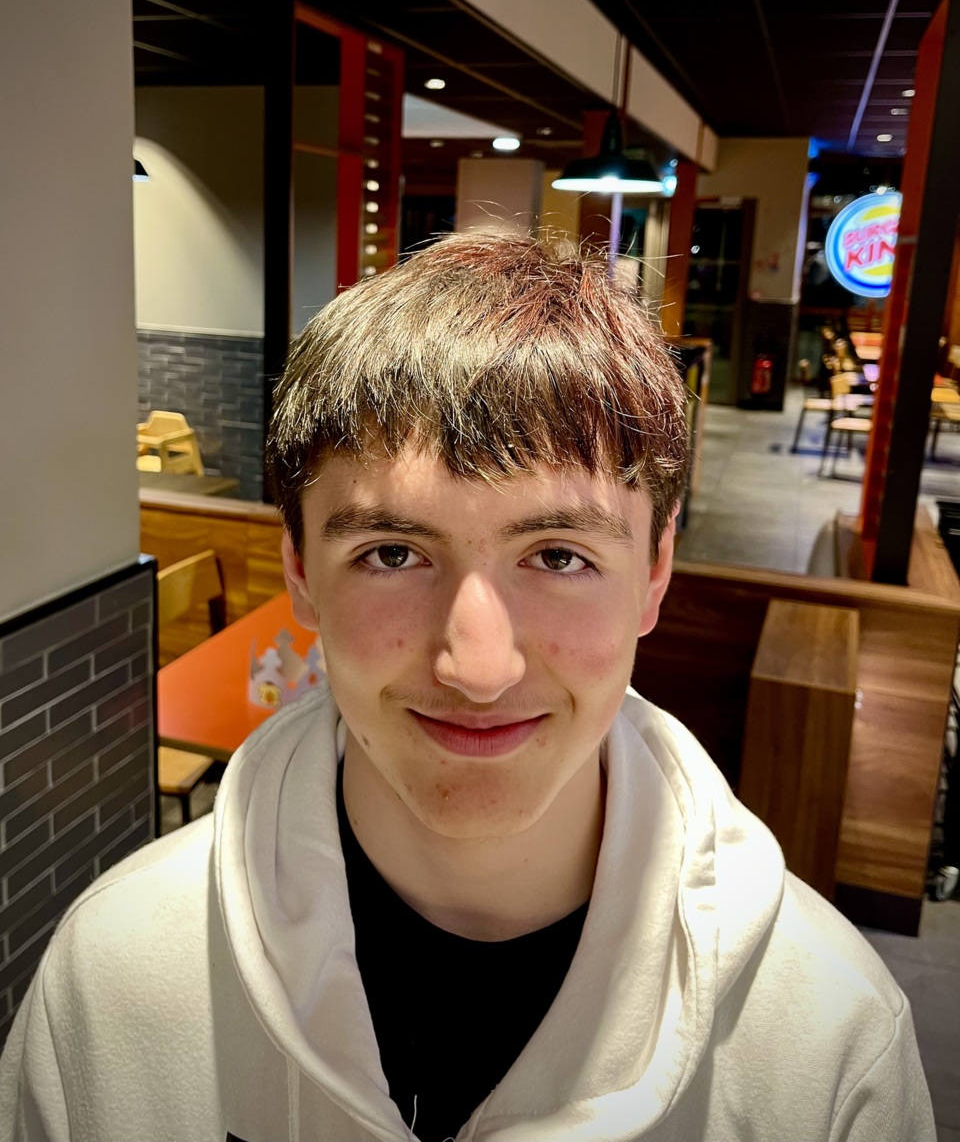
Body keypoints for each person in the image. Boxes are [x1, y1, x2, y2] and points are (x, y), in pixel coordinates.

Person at [0, 234, 934, 1141]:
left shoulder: (828, 1046)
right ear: (300, 571)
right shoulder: (111, 984)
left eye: (558, 556)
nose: (478, 669)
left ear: (655, 572)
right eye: (392, 553)